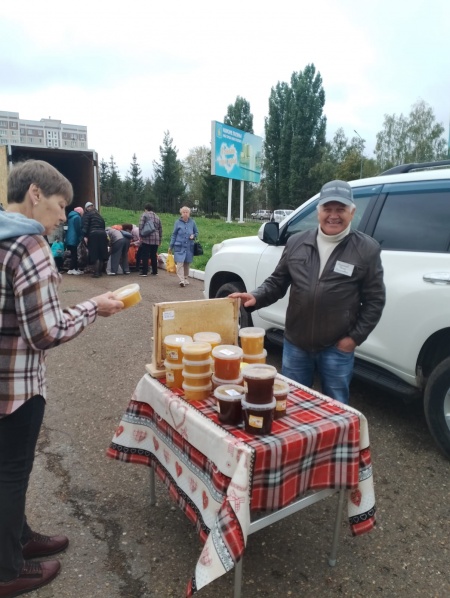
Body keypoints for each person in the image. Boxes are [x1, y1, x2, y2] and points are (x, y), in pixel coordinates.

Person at [0, 160, 124, 597]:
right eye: (58, 205)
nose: (60, 218)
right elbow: (45, 332)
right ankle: (7, 569)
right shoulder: (29, 244)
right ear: (35, 193)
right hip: (16, 387)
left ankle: (18, 538)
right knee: (12, 474)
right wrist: (96, 307)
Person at [230, 180, 386, 404]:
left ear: (352, 212)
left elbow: (375, 301)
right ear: (318, 211)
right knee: (292, 401)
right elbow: (277, 281)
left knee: (336, 405)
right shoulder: (296, 242)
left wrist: (353, 338)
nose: (333, 215)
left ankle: (336, 440)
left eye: (340, 209)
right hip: (296, 343)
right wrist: (256, 296)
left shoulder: (366, 250)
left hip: (337, 347)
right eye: (327, 209)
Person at [169, 206, 198, 287]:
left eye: (187, 212)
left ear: (189, 213)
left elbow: (196, 232)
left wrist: (194, 235)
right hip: (179, 246)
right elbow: (174, 234)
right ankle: (181, 280)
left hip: (189, 246)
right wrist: (171, 246)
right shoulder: (177, 222)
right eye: (183, 212)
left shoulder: (192, 222)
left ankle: (185, 278)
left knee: (186, 263)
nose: (185, 214)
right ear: (181, 213)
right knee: (179, 263)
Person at [81, 201, 108, 278]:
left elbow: (85, 225)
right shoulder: (99, 215)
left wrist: (84, 236)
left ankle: (96, 273)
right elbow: (103, 226)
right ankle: (99, 272)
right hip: (103, 234)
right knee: (101, 254)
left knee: (95, 254)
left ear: (86, 208)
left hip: (93, 234)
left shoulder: (87, 215)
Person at [138, 204, 162, 277]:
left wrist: (141, 235)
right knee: (153, 255)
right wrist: (160, 239)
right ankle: (155, 271)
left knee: (145, 255)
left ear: (146, 209)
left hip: (147, 238)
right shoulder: (157, 217)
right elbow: (160, 229)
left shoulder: (144, 215)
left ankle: (144, 271)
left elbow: (141, 225)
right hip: (156, 238)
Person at [65, 206, 84, 275]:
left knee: (74, 254)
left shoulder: (71, 217)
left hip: (69, 238)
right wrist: (81, 236)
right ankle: (72, 269)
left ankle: (75, 268)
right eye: (82, 212)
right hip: (74, 238)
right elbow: (78, 228)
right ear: (80, 212)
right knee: (74, 254)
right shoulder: (77, 217)